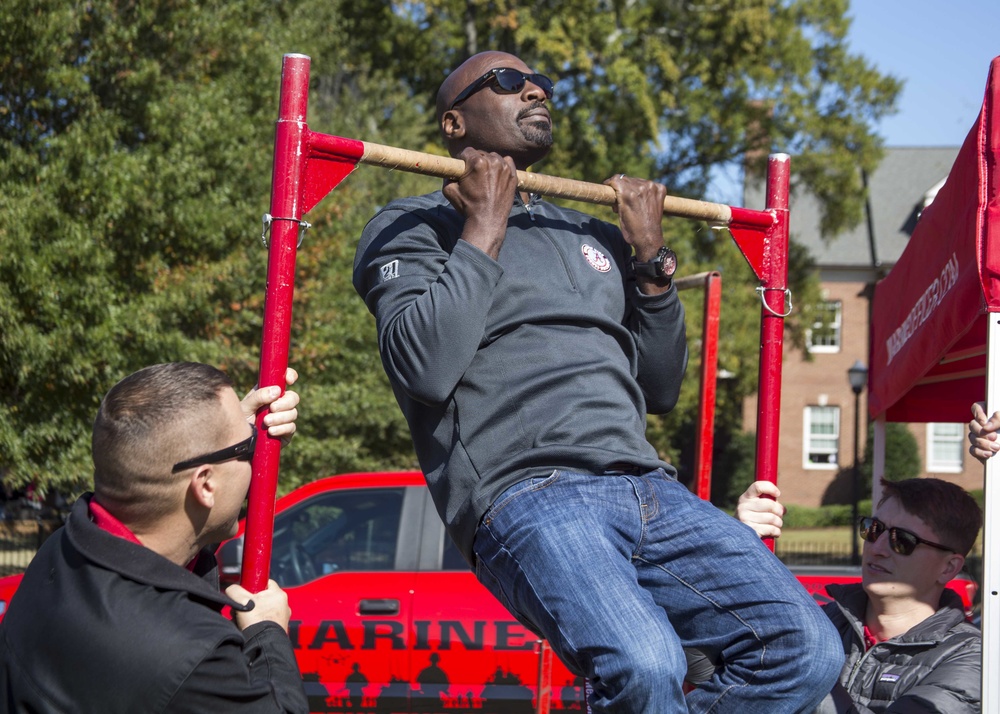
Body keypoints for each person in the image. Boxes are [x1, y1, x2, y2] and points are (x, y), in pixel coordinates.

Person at [353, 50, 842, 712]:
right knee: (645, 664)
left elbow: (660, 389)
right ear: (453, 124)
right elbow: (425, 367)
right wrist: (483, 226)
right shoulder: (412, 227)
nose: (534, 91)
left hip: (646, 485)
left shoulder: (586, 229)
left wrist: (649, 264)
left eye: (541, 84)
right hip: (527, 489)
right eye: (506, 82)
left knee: (805, 649)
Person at [0, 362, 309, 713]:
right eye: (250, 447)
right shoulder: (194, 655)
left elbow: (177, 522)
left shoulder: (61, 550)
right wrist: (267, 634)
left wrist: (226, 432)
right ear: (206, 484)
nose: (257, 455)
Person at [736, 477, 982, 713]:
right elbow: (729, 662)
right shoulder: (820, 624)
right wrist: (738, 545)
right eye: (874, 530)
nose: (877, 548)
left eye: (903, 541)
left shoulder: (971, 656)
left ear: (948, 567)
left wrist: (794, 665)